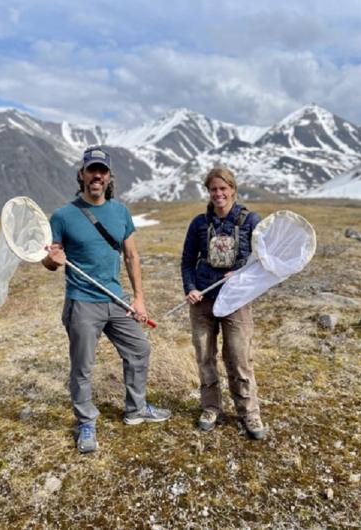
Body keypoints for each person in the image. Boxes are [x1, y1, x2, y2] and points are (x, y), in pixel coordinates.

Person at [42, 145, 171, 453]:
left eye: (102, 170)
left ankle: (135, 408)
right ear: (82, 174)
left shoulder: (120, 212)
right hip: (82, 301)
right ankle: (86, 422)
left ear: (110, 176)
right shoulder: (62, 216)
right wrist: (52, 260)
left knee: (139, 349)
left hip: (116, 298)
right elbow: (48, 261)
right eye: (91, 170)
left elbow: (131, 255)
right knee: (83, 367)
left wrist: (138, 298)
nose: (96, 175)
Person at [181, 167, 265, 440]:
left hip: (237, 301)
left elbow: (263, 262)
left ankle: (248, 412)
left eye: (223, 188)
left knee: (239, 358)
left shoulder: (251, 220)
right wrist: (191, 288)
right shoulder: (199, 223)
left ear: (233, 189)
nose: (218, 194)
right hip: (203, 300)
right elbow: (187, 261)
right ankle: (210, 407)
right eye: (213, 189)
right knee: (205, 356)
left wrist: (241, 274)